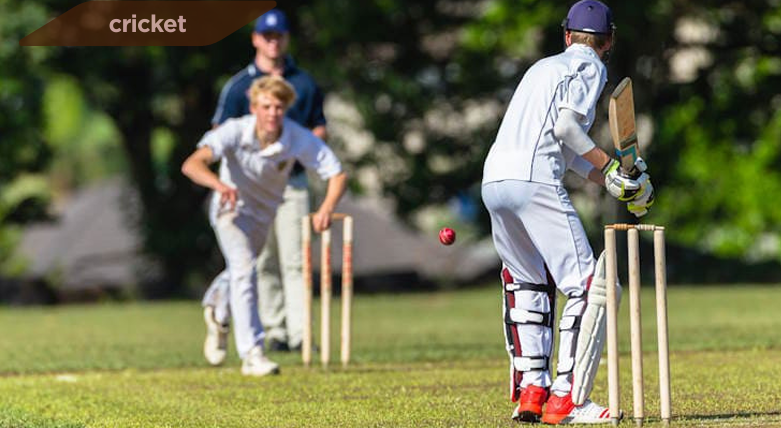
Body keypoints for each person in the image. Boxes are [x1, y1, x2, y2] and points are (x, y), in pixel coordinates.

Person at [480, 0, 654, 424]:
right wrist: (611, 166)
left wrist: (608, 180)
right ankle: (568, 400)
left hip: (495, 181)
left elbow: (563, 146)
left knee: (526, 282)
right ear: (608, 41)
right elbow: (566, 129)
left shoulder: (540, 69)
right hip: (535, 180)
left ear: (566, 35)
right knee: (593, 286)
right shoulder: (590, 66)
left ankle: (532, 391)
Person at [182, 76, 347, 376]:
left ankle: (218, 310)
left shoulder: (295, 136)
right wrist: (220, 186)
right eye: (266, 106)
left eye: (279, 107)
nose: (273, 113)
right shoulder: (235, 130)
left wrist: (326, 209)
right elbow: (192, 164)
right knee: (245, 269)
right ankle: (252, 354)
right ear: (254, 108)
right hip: (230, 211)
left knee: (241, 270)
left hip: (264, 214)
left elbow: (336, 173)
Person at [202, 8, 328, 365]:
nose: (273, 43)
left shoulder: (303, 83)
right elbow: (219, 134)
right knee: (259, 262)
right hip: (248, 188)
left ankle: (301, 334)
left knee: (295, 260)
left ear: (286, 39)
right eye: (267, 36)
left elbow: (318, 127)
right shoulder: (240, 86)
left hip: (291, 182)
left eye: (279, 36)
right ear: (256, 39)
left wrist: (302, 150)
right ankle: (274, 331)